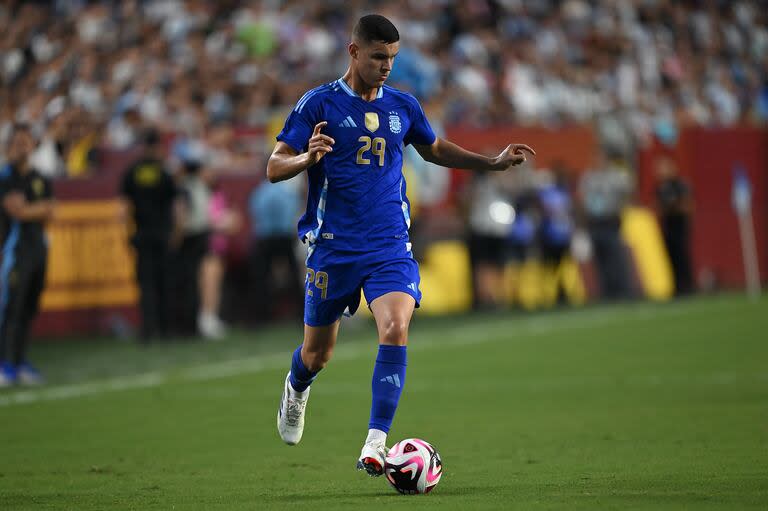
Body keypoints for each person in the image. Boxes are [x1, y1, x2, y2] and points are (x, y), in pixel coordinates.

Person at [267, 15, 534, 477]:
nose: (386, 66)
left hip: (390, 244)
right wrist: (306, 158)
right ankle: (296, 386)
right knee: (317, 355)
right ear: (353, 53)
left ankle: (375, 442)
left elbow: (433, 149)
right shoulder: (319, 104)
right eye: (377, 57)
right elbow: (274, 167)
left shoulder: (403, 106)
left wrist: (490, 163)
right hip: (333, 247)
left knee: (394, 328)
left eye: (391, 57)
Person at [0, 124, 54, 386]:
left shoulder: (39, 177)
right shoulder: (6, 176)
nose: (23, 147)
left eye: (27, 142)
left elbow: (51, 212)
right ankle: (5, 363)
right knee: (12, 308)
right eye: (18, 142)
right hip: (14, 251)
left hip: (38, 250)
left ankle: (20, 360)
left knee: (29, 308)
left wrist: (34, 209)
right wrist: (38, 208)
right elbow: (16, 211)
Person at [120, 128, 178, 342]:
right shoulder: (164, 171)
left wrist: (126, 233)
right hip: (162, 234)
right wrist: (175, 232)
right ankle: (165, 330)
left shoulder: (132, 171)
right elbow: (175, 205)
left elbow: (124, 208)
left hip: (142, 234)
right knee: (164, 283)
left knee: (146, 285)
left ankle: (148, 330)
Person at [248, 173, 303, 322]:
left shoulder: (259, 192)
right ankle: (301, 313)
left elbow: (254, 215)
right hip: (285, 238)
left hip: (264, 238)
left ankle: (261, 315)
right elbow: (294, 216)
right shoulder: (288, 192)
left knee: (262, 277)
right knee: (294, 275)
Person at [655, 157, 693, 296]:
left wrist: (672, 207)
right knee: (671, 257)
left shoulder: (680, 185)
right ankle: (676, 287)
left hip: (679, 225)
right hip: (668, 226)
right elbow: (658, 207)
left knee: (682, 256)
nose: (661, 171)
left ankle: (687, 286)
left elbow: (687, 206)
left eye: (664, 168)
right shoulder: (660, 187)